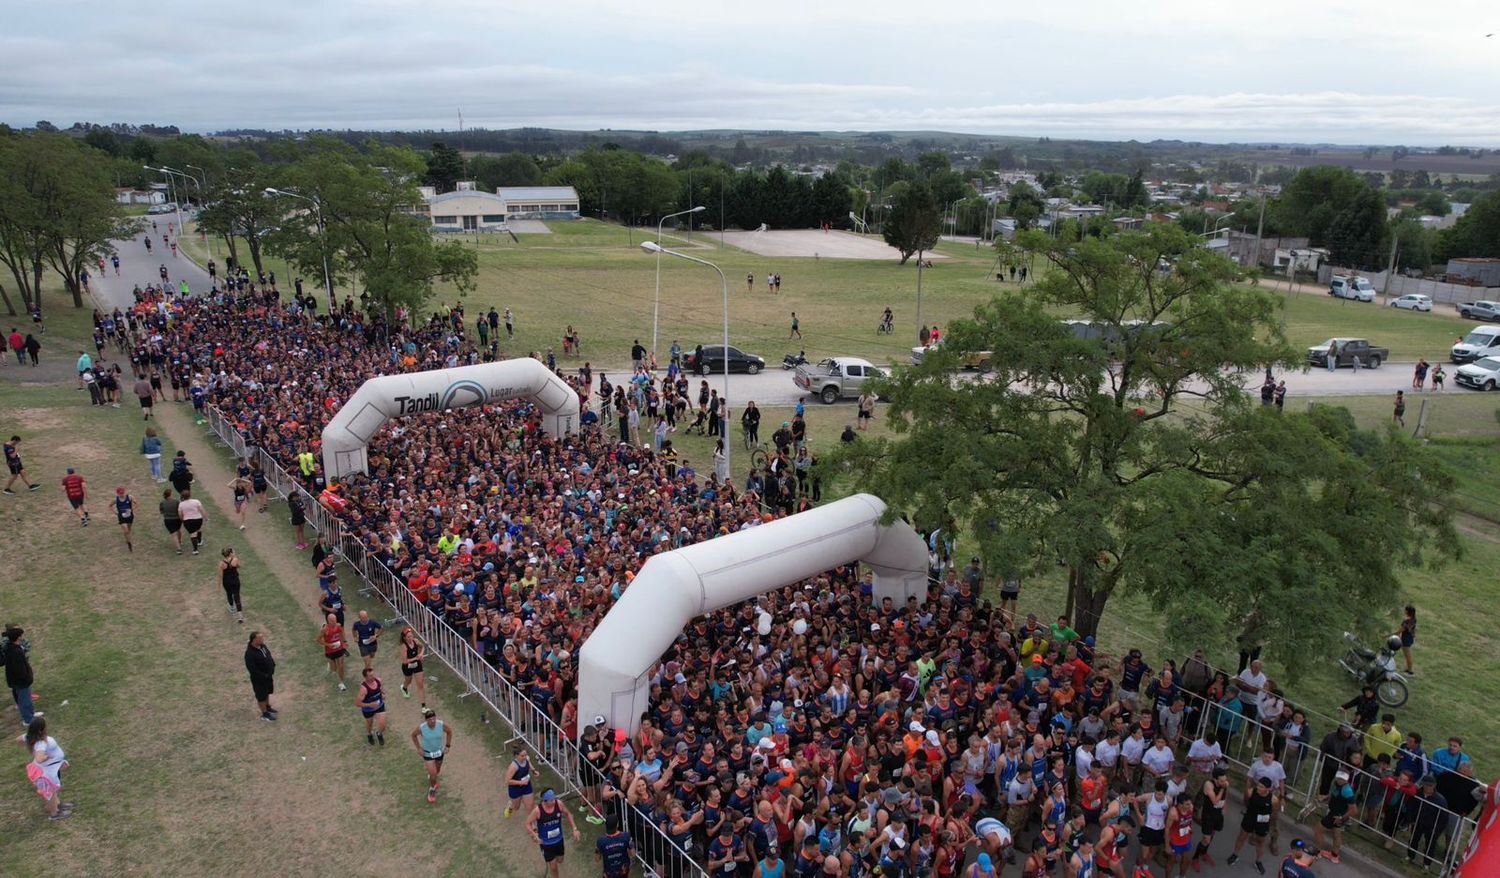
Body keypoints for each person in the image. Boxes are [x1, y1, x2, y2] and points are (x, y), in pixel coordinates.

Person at [1226, 776, 1278, 873]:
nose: (1258, 788)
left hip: (1263, 822)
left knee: (1260, 842)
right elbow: (1246, 801)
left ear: (1268, 789)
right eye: (1258, 785)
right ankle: (1235, 855)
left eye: (1262, 787)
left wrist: (1267, 820)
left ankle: (1258, 861)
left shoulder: (1273, 799)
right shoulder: (1250, 792)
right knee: (1241, 837)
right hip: (1250, 817)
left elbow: (1273, 811)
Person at [23, 718, 72, 821]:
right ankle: (54, 814)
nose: (47, 727)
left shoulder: (30, 737)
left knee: (52, 791)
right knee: (49, 794)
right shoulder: (41, 743)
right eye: (45, 726)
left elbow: (18, 739)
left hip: (48, 771)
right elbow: (39, 758)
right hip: (44, 774)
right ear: (41, 730)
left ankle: (58, 805)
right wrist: (47, 757)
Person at [527, 787, 581, 878]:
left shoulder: (559, 804)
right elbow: (528, 823)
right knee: (553, 866)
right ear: (544, 801)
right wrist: (534, 834)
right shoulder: (538, 811)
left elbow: (568, 814)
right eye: (551, 800)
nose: (554, 801)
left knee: (560, 860)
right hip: (546, 843)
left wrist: (575, 829)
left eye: (554, 799)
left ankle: (553, 859)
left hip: (559, 840)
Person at [1311, 769, 1354, 864]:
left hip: (1336, 815)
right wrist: (1325, 797)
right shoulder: (1336, 784)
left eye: (1342, 779)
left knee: (1318, 830)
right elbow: (1333, 794)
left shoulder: (1347, 791)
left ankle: (1317, 852)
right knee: (1336, 833)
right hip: (1336, 813)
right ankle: (1334, 856)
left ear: (1347, 780)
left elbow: (1354, 809)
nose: (1340, 780)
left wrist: (1342, 818)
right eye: (1339, 778)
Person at [413, 707, 452, 804]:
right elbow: (413, 735)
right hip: (428, 753)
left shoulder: (441, 725)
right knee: (433, 776)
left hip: (439, 752)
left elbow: (449, 731)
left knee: (437, 771)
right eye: (430, 719)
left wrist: (447, 746)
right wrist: (419, 748)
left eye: (434, 718)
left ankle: (433, 779)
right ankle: (432, 790)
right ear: (426, 720)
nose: (432, 721)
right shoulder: (422, 728)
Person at [4, 625, 39, 725]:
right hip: (21, 682)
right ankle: (28, 720)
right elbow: (19, 670)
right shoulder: (15, 652)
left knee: (27, 698)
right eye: (21, 635)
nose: (23, 636)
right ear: (18, 637)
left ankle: (31, 714)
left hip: (19, 681)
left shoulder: (12, 648)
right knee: (24, 701)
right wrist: (27, 678)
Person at [244, 631, 277, 721]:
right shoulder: (249, 653)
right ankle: (265, 714)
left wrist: (272, 664)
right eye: (260, 638)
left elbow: (269, 655)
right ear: (254, 640)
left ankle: (267, 707)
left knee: (267, 692)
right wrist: (263, 676)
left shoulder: (263, 646)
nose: (262, 639)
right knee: (261, 695)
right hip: (259, 679)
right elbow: (252, 669)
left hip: (268, 676)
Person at [596, 813, 635, 878]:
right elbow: (633, 854)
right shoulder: (626, 836)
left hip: (609, 873)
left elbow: (597, 859)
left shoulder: (600, 841)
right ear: (617, 825)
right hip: (623, 871)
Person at [356, 667, 387, 746]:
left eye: (373, 675)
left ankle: (379, 734)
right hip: (368, 710)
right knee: (370, 724)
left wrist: (383, 694)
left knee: (383, 724)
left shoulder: (378, 680)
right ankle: (369, 734)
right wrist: (369, 705)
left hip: (380, 705)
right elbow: (357, 703)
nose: (373, 677)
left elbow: (381, 689)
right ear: (365, 677)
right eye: (370, 676)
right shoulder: (364, 689)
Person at [318, 612, 349, 691]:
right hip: (330, 651)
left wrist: (344, 643)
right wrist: (328, 645)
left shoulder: (338, 626)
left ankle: (341, 683)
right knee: (334, 669)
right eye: (333, 621)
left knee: (341, 666)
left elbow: (341, 634)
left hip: (339, 649)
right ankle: (330, 665)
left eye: (335, 620)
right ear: (329, 621)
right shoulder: (325, 629)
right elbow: (318, 639)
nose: (335, 622)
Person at [399, 627, 427, 708]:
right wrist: (416, 658)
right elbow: (404, 661)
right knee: (409, 681)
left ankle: (423, 706)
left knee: (420, 685)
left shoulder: (416, 641)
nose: (410, 638)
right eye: (408, 637)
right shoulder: (404, 647)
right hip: (407, 667)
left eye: (411, 636)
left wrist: (421, 654)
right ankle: (404, 688)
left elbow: (423, 647)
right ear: (404, 638)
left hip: (417, 665)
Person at [506, 743, 536, 818]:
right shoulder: (513, 766)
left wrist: (534, 771)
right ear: (516, 756)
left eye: (525, 755)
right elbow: (507, 781)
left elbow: (529, 764)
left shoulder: (526, 758)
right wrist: (521, 782)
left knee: (530, 806)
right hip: (515, 789)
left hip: (526, 786)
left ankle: (533, 824)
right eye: (522, 756)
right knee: (516, 808)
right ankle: (510, 806)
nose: (525, 757)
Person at [218, 547, 244, 623]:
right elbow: (239, 566)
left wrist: (219, 586)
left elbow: (220, 575)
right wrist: (234, 558)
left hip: (226, 582)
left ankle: (232, 607)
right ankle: (240, 616)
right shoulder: (235, 559)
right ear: (230, 553)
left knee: (229, 594)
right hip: (235, 580)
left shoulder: (221, 563)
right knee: (237, 596)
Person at [177, 489, 205, 554]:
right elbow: (201, 509)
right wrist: (205, 517)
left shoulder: (181, 504)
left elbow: (180, 514)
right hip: (198, 519)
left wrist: (182, 519)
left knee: (193, 534)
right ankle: (199, 541)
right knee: (198, 529)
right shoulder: (196, 501)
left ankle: (195, 550)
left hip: (188, 520)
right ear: (190, 495)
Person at [159, 488, 183, 554]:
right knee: (178, 530)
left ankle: (179, 549)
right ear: (170, 494)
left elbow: (161, 511)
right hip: (177, 519)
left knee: (173, 534)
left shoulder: (162, 502)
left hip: (168, 520)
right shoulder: (176, 501)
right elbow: (179, 510)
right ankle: (180, 541)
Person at [114, 487, 137, 552]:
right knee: (126, 530)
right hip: (121, 517)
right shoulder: (115, 499)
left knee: (129, 530)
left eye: (123, 493)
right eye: (120, 493)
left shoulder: (129, 497)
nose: (122, 494)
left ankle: (127, 539)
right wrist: (115, 512)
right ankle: (129, 544)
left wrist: (132, 509)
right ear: (118, 493)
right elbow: (109, 506)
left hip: (129, 516)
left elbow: (137, 503)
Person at [1398, 604, 1417, 674]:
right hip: (1409, 638)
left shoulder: (1407, 620)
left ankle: (1410, 671)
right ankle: (1408, 669)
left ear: (1407, 611)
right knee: (1407, 655)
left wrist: (1394, 634)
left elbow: (1402, 629)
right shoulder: (1413, 619)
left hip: (1406, 638)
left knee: (1408, 655)